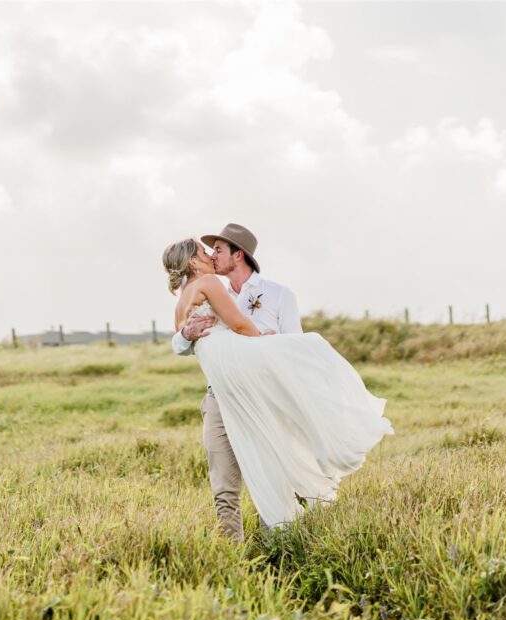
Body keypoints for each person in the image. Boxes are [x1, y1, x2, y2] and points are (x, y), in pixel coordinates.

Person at [163, 224, 392, 540]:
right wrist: (189, 336)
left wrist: (266, 343)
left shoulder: (278, 294)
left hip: (266, 391)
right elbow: (197, 336)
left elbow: (289, 347)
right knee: (224, 481)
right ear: (192, 261)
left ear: (238, 254)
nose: (211, 254)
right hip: (222, 393)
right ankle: (234, 549)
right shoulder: (212, 285)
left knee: (276, 463)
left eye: (216, 249)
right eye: (206, 250)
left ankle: (285, 537)